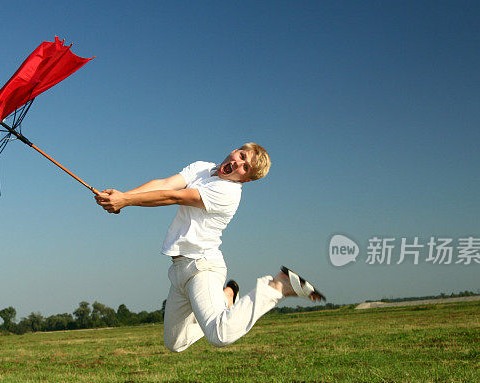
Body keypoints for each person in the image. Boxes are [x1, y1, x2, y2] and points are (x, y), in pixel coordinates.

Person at [95, 143, 325, 352]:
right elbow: (165, 184)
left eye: (245, 167)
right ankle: (226, 298)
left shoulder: (227, 192)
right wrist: (124, 196)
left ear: (245, 179)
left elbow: (174, 196)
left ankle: (277, 287)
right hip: (178, 269)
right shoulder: (202, 168)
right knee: (175, 343)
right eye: (241, 155)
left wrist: (126, 201)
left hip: (202, 267)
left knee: (219, 335)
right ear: (235, 149)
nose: (238, 163)